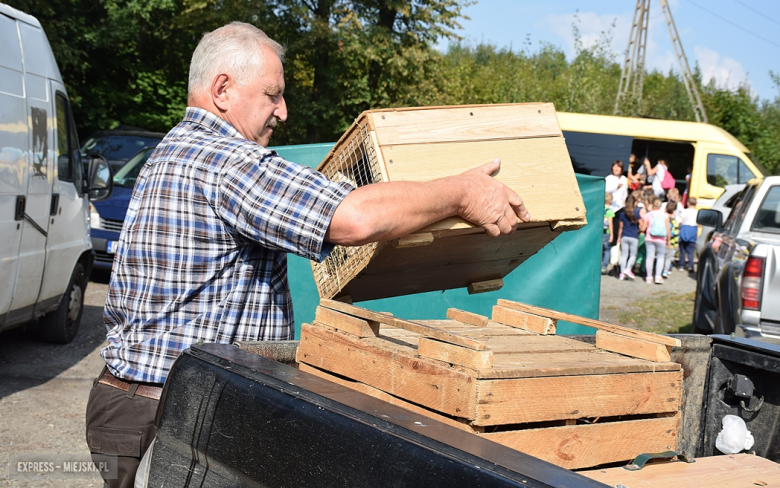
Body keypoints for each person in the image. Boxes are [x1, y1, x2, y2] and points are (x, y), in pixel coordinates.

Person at [84, 22, 530, 488]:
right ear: (222, 90)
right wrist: (461, 193)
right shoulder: (225, 160)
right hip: (178, 413)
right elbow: (353, 219)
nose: (283, 110)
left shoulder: (176, 148)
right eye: (272, 94)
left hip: (133, 402)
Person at [641, 197, 670, 284]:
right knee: (661, 257)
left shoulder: (648, 215)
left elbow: (643, 228)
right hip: (661, 239)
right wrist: (668, 239)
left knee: (650, 257)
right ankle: (658, 276)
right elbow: (668, 228)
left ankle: (649, 277)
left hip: (650, 238)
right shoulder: (665, 215)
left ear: (652, 205)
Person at [617, 194, 642, 280]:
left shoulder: (622, 214)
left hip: (624, 236)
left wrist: (618, 238)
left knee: (624, 255)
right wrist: (639, 230)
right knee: (633, 255)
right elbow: (642, 225)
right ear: (634, 203)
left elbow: (621, 227)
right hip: (634, 236)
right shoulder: (636, 214)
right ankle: (628, 269)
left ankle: (621, 273)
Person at [678, 197, 698, 272]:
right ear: (696, 204)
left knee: (682, 250)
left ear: (688, 203)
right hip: (692, 230)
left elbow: (681, 220)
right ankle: (690, 265)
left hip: (684, 230)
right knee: (690, 250)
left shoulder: (684, 211)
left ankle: (681, 265)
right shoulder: (697, 212)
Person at [663, 201, 679, 278]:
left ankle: (659, 270)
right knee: (669, 258)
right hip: (671, 242)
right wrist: (676, 244)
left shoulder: (663, 218)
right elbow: (676, 233)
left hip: (662, 240)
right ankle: (666, 270)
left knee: (661, 256)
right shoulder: (675, 220)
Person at [602, 193, 616, 274]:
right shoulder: (610, 211)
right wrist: (612, 235)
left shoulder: (600, 209)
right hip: (606, 233)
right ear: (611, 201)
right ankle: (604, 266)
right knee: (607, 250)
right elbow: (610, 224)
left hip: (600, 233)